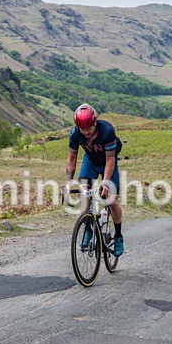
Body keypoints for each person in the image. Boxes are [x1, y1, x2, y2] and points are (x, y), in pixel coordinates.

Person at [65, 103, 124, 257]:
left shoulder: (107, 131)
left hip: (107, 162)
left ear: (95, 122)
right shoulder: (75, 134)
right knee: (82, 194)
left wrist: (105, 182)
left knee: (112, 200)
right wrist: (69, 182)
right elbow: (72, 157)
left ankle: (118, 235)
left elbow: (110, 160)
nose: (86, 133)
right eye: (82, 129)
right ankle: (88, 228)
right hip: (90, 162)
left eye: (89, 129)